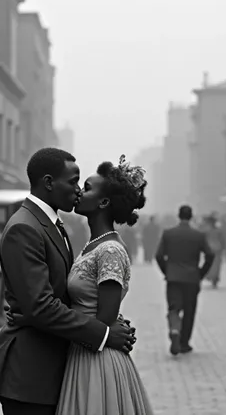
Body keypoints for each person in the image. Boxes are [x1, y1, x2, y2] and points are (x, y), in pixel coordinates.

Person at [0, 148, 136, 415]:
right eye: (73, 181)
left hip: (54, 368)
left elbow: (66, 294)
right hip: (30, 373)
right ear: (48, 183)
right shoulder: (25, 227)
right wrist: (103, 333)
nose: (77, 190)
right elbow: (40, 306)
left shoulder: (51, 224)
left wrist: (110, 317)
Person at [55, 155, 153, 414]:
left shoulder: (109, 250)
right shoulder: (93, 245)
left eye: (86, 187)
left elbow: (106, 318)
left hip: (97, 358)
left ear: (104, 202)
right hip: (86, 349)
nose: (79, 191)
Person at [155, 205, 215, 356]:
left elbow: (159, 256)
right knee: (189, 311)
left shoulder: (169, 234)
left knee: (174, 308)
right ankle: (184, 343)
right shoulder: (198, 235)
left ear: (178, 215)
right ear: (191, 216)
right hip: (192, 278)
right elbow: (210, 255)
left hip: (173, 278)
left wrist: (167, 271)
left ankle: (174, 329)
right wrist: (201, 273)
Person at [202, 215, 226, 289]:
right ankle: (215, 278)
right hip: (217, 249)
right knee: (216, 265)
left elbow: (204, 240)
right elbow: (222, 241)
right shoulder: (218, 231)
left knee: (211, 264)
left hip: (209, 249)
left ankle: (211, 277)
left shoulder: (207, 231)